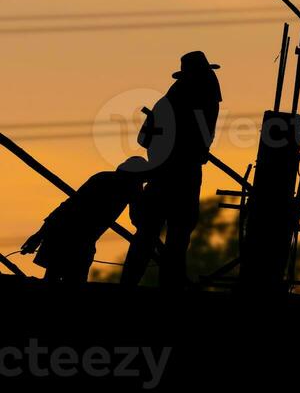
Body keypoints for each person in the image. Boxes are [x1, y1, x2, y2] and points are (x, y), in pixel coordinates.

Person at [120, 51, 222, 288]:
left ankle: (137, 281)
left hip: (161, 173)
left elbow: (143, 139)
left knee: (152, 229)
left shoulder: (169, 100)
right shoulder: (202, 97)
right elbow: (201, 139)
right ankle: (169, 281)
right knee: (177, 227)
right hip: (181, 174)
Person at [21, 157, 149, 283]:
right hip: (77, 240)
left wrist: (39, 235)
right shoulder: (132, 187)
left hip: (63, 232)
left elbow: (67, 206)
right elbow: (137, 218)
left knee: (53, 278)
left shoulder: (102, 177)